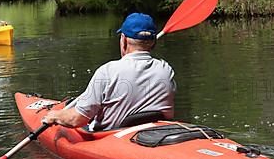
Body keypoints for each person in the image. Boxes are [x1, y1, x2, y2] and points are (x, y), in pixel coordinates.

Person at [42, 12, 176, 131]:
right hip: (154, 134)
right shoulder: (166, 70)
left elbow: (77, 120)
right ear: (153, 43)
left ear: (123, 40)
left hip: (112, 138)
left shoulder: (107, 72)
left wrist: (56, 115)